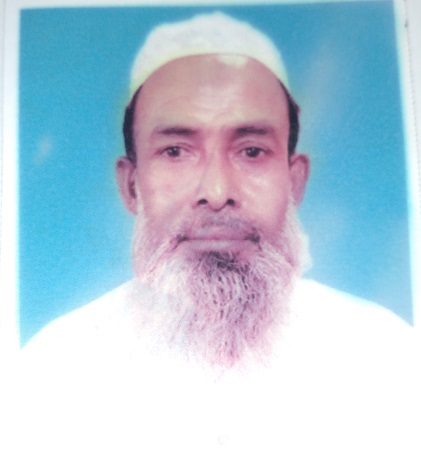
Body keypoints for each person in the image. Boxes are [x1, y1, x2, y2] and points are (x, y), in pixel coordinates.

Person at [14, 12, 419, 465]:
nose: (217, 191)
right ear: (131, 186)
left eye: (251, 151)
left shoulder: (389, 360)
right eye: (175, 151)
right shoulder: (50, 374)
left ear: (294, 182)